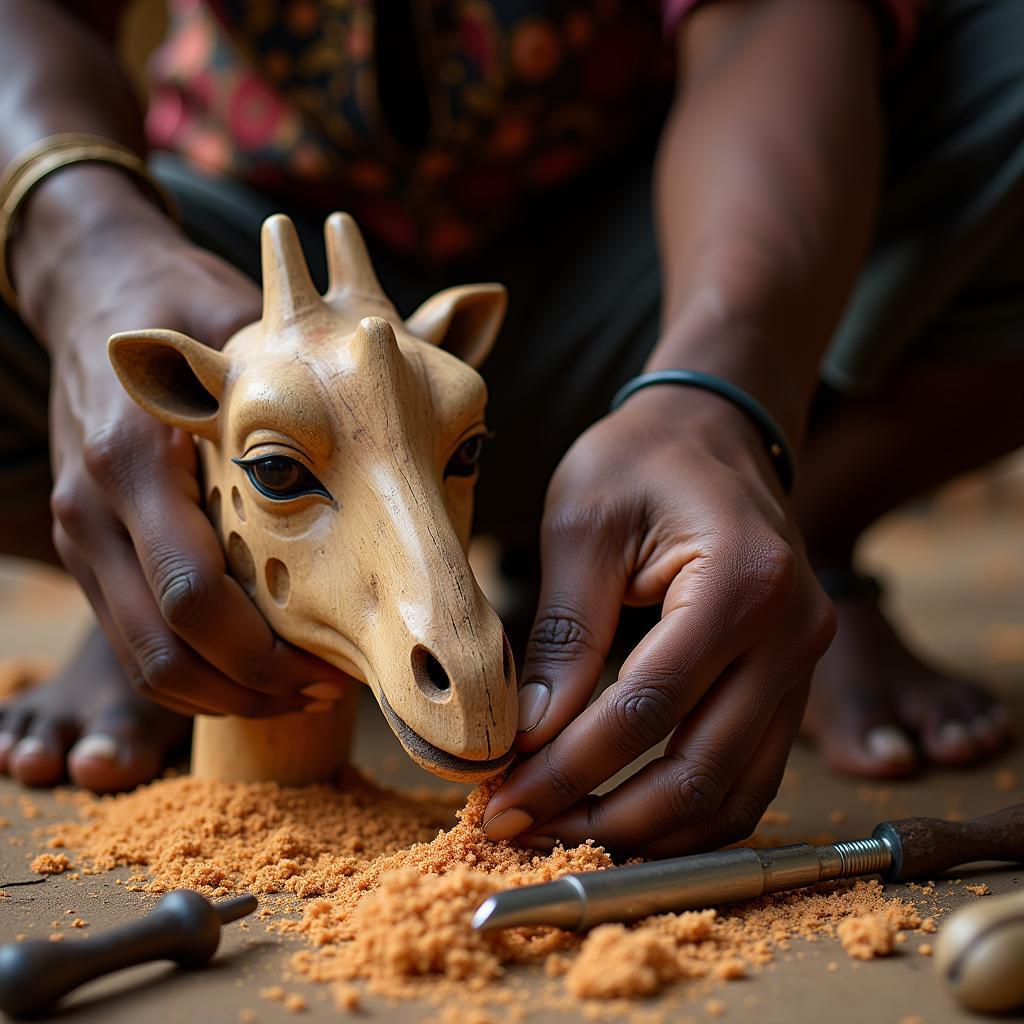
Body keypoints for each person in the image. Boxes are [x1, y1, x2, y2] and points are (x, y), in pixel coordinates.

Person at [0, 0, 1020, 857]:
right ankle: (167, 546)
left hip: (658, 257)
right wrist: (85, 252)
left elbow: (770, 17)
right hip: (225, 263)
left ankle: (772, 518)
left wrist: (724, 390)